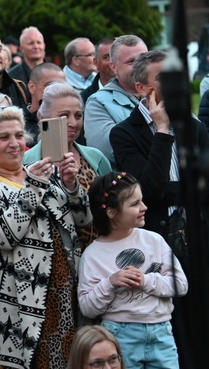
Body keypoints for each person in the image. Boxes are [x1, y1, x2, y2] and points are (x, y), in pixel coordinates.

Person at [110, 50, 209, 369]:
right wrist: (162, 132)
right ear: (142, 87)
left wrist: (173, 191)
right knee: (169, 346)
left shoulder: (195, 126)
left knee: (202, 342)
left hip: (199, 248)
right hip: (156, 254)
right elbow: (147, 191)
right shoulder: (124, 133)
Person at [0, 102, 91, 369]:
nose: (14, 143)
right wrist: (33, 187)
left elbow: (85, 222)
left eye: (19, 135)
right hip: (15, 307)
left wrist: (72, 187)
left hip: (61, 300)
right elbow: (3, 236)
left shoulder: (47, 178)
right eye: (3, 137)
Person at [79, 172, 187, 369]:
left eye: (142, 200)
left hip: (161, 334)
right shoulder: (93, 255)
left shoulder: (154, 241)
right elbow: (87, 307)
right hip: (120, 338)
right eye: (135, 203)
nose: (144, 207)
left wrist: (147, 281)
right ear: (112, 213)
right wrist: (110, 282)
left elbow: (180, 284)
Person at [24, 82, 111, 246]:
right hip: (49, 261)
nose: (73, 123)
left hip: (95, 255)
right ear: (43, 118)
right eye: (64, 116)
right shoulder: (25, 163)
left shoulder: (96, 158)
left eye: (78, 116)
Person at [84, 35, 147, 166]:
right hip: (128, 184)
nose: (140, 67)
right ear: (114, 67)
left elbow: (194, 133)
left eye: (144, 60)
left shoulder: (161, 94)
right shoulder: (98, 103)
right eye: (131, 62)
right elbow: (110, 152)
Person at [24, 63, 66, 146]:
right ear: (31, 87)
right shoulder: (19, 122)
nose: (56, 90)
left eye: (62, 86)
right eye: (50, 85)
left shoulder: (69, 119)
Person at [80, 37, 115, 107]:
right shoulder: (83, 99)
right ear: (96, 62)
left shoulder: (138, 92)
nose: (112, 62)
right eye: (106, 57)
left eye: (116, 56)